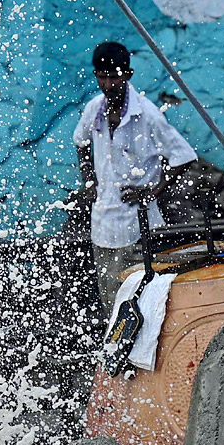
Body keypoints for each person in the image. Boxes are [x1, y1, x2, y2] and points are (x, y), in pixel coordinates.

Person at [73, 41, 197, 314]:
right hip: (103, 222)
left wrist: (153, 190)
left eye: (114, 77)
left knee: (143, 300)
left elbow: (183, 156)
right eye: (101, 77)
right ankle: (117, 354)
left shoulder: (147, 114)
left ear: (127, 75)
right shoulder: (94, 108)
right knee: (111, 300)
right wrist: (89, 180)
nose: (108, 84)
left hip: (140, 226)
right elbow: (80, 142)